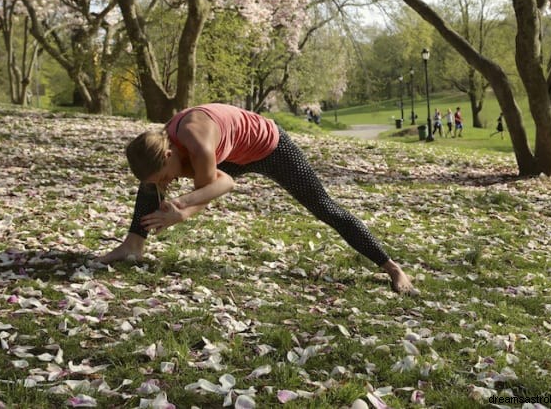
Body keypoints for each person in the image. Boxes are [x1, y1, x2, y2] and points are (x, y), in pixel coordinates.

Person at [99, 103, 415, 294]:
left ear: (169, 154)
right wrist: (165, 191)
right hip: (233, 150)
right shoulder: (161, 144)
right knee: (149, 185)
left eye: (166, 174)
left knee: (325, 208)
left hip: (271, 148)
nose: (166, 182)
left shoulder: (199, 146)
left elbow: (221, 186)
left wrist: (180, 211)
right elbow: (178, 181)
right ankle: (133, 247)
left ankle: (392, 267)